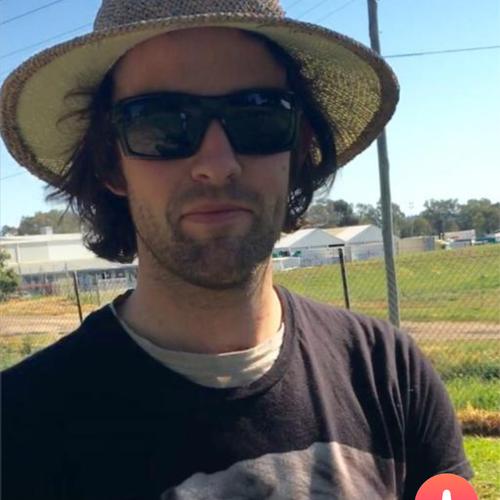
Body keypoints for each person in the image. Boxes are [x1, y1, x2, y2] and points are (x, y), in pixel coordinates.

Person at [1, 1, 472, 499]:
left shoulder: (390, 374)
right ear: (110, 163)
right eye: (161, 123)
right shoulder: (19, 429)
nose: (218, 163)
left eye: (258, 115)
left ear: (299, 148)